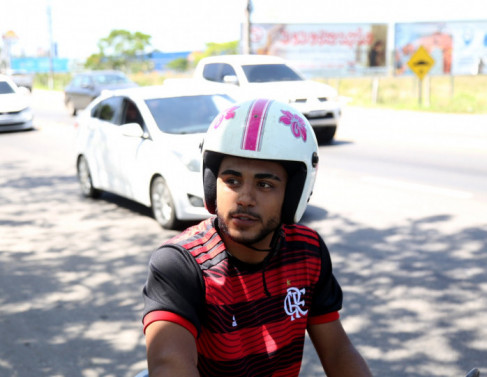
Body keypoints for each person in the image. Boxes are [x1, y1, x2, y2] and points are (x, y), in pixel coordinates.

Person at [142, 98, 373, 377]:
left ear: (293, 194)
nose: (245, 199)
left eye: (265, 184)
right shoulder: (181, 263)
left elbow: (338, 351)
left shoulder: (307, 252)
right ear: (212, 184)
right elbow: (170, 365)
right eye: (232, 181)